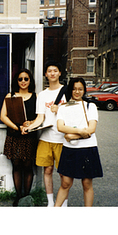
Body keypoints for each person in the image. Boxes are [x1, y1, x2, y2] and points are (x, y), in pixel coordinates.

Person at [23, 60, 67, 207]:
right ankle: (50, 202)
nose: (52, 73)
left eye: (55, 70)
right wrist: (28, 128)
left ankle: (63, 202)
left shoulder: (67, 91)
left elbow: (74, 114)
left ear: (60, 73)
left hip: (62, 139)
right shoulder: (42, 95)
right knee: (47, 171)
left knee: (63, 174)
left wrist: (59, 110)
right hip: (46, 138)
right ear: (45, 74)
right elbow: (40, 117)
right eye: (50, 71)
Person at [54, 77, 103, 207]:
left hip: (88, 148)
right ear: (70, 90)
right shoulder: (63, 107)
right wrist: (81, 132)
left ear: (84, 90)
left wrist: (72, 136)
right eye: (74, 89)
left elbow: (91, 129)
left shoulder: (90, 106)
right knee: (65, 183)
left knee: (87, 184)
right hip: (69, 150)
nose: (77, 92)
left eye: (80, 89)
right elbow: (60, 127)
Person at [0, 69, 38, 206]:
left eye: (26, 79)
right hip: (14, 135)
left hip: (30, 136)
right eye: (20, 79)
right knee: (16, 165)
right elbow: (3, 116)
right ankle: (19, 196)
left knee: (28, 166)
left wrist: (31, 124)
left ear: (30, 81)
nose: (23, 82)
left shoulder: (35, 96)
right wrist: (17, 127)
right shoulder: (10, 96)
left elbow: (40, 117)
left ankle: (26, 197)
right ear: (17, 81)